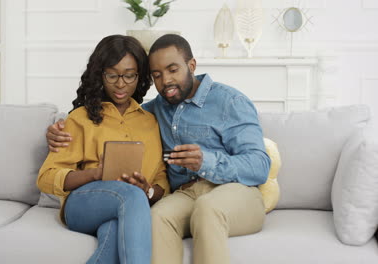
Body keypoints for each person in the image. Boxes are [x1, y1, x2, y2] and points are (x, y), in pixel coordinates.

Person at [47, 34, 271, 264]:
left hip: (236, 192)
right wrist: (57, 127)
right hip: (186, 194)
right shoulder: (153, 112)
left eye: (173, 70)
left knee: (208, 208)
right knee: (156, 217)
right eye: (157, 75)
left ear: (191, 65)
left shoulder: (230, 101)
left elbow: (260, 166)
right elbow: (111, 118)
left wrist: (206, 161)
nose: (166, 81)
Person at [37, 34, 170, 264]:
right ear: (100, 74)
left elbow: (162, 180)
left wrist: (148, 189)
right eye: (112, 75)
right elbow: (46, 178)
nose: (120, 84)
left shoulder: (150, 122)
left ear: (140, 77)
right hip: (82, 206)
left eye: (129, 76)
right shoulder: (80, 119)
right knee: (131, 196)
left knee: (115, 230)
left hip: (130, 206)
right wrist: (95, 174)